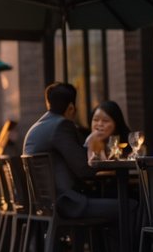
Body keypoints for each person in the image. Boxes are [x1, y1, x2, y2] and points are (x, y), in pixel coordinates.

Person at [22, 82, 116, 218]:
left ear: (48, 103)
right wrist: (97, 150)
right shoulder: (61, 125)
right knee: (131, 206)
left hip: (46, 206)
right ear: (71, 107)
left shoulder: (35, 128)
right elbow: (84, 169)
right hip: (68, 204)